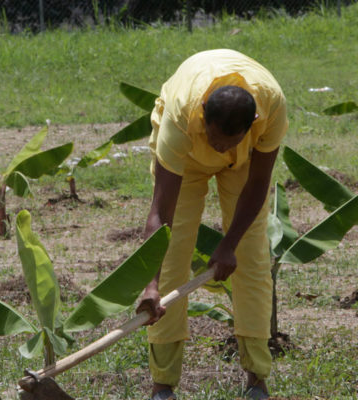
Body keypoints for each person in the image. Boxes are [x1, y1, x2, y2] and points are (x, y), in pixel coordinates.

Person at [135, 49, 288, 400]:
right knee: (173, 255)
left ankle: (256, 380)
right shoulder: (180, 118)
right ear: (204, 114)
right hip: (186, 160)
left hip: (244, 165)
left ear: (251, 126)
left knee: (251, 260)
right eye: (215, 139)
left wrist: (229, 244)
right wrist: (151, 284)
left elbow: (258, 185)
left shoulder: (272, 107)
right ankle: (163, 386)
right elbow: (161, 214)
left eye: (227, 143)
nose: (219, 148)